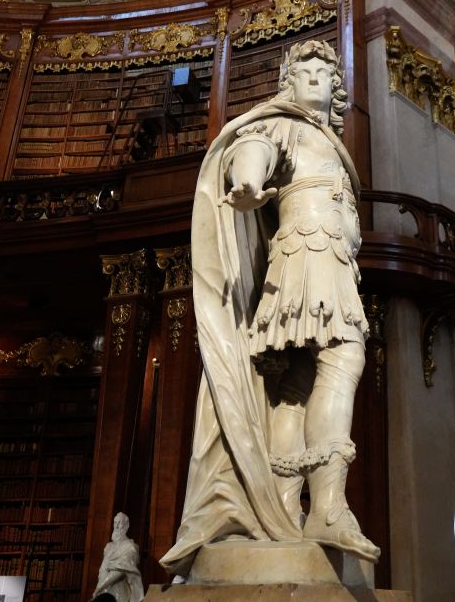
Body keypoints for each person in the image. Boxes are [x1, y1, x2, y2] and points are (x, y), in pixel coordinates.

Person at [160, 39, 379, 581]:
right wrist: (247, 181)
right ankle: (327, 507)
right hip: (308, 254)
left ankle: (284, 508)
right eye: (302, 71)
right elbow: (251, 143)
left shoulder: (328, 139)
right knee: (341, 360)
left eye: (322, 73)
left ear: (336, 87)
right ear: (288, 81)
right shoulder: (286, 124)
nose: (312, 79)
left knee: (295, 385)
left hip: (329, 262)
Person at [92, 512, 144, 602]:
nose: (116, 526)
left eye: (119, 523)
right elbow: (103, 571)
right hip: (102, 594)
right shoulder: (109, 547)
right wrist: (98, 590)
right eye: (115, 523)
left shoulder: (130, 547)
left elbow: (120, 570)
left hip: (118, 595)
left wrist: (99, 588)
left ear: (126, 526)